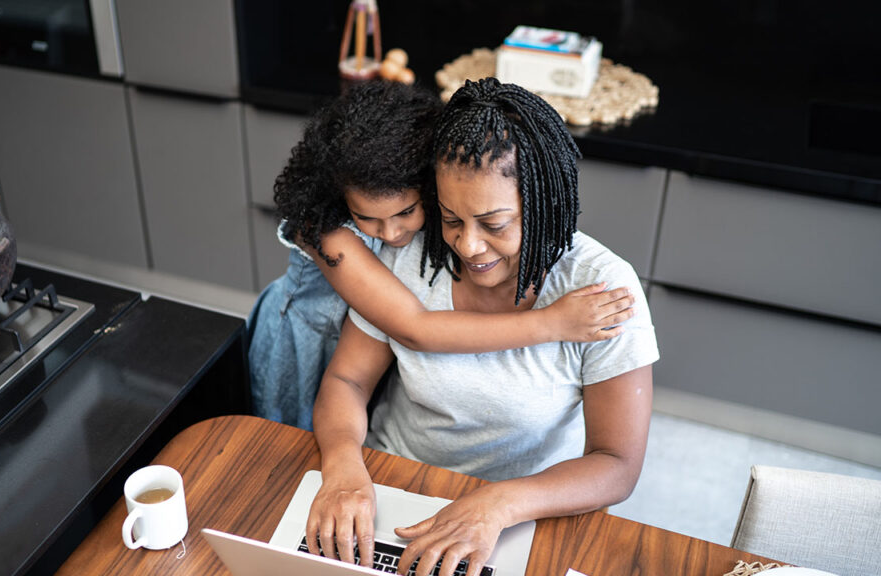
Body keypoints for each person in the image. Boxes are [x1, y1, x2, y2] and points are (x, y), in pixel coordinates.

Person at [306, 78, 660, 576]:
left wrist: (497, 505)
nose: (468, 246)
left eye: (494, 224)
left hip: (520, 512)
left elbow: (616, 464)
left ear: (542, 206)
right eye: (451, 219)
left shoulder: (602, 289)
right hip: (388, 485)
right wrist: (343, 462)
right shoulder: (409, 248)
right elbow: (348, 380)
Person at [247, 80, 636, 431]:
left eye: (406, 212)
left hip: (372, 348)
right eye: (368, 218)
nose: (393, 233)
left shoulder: (439, 216)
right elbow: (414, 328)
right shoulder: (329, 235)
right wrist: (551, 324)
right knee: (285, 446)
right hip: (305, 342)